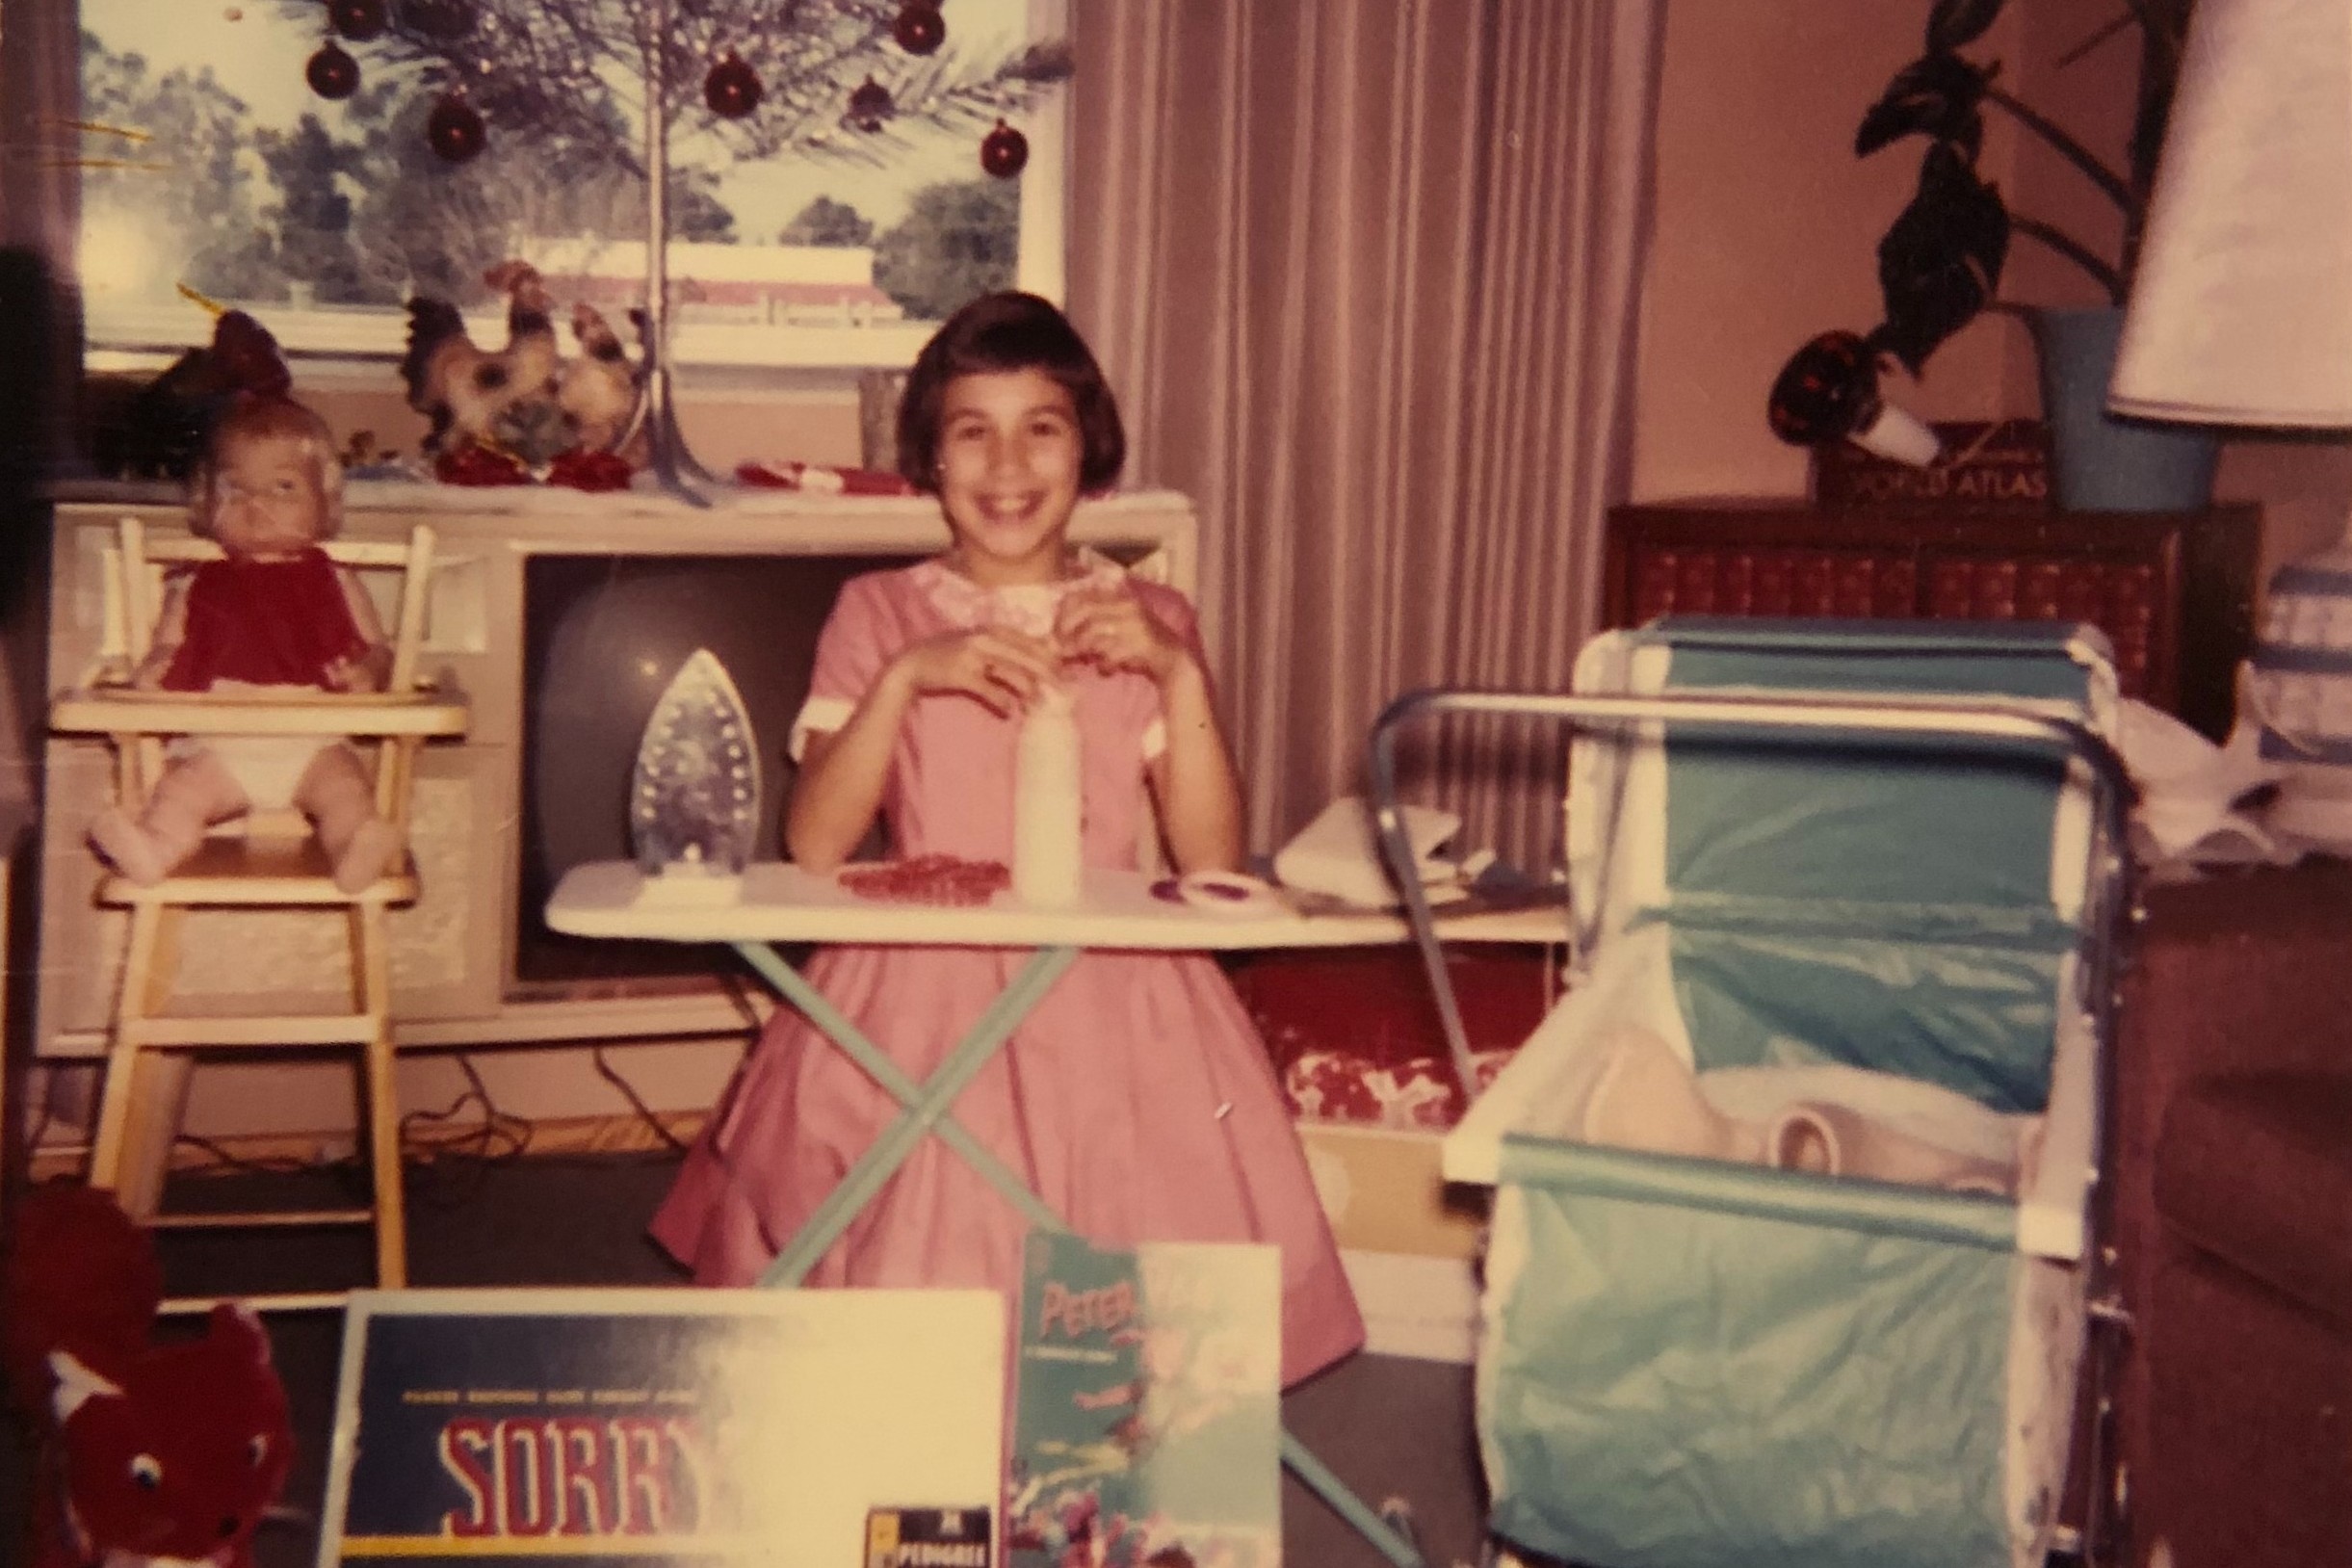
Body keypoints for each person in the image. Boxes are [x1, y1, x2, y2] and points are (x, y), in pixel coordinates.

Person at [652, 292, 1365, 1386]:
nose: (1007, 462)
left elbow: (1214, 860)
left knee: (1131, 1239)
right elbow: (814, 844)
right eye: (970, 431)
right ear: (933, 464)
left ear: (1089, 451)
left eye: (1042, 425)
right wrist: (903, 681)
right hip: (923, 984)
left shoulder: (1154, 617)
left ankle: (1105, 1467)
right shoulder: (878, 611)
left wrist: (1176, 673)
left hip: (1115, 994)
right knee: (920, 1240)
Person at [88, 395, 404, 895]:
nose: (256, 504)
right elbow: (167, 646)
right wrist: (155, 669)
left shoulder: (336, 579)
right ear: (207, 501)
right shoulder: (194, 585)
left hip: (312, 741)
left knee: (347, 794)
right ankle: (153, 849)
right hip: (221, 744)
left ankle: (354, 851)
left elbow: (380, 650)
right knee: (179, 794)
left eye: (283, 486)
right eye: (236, 488)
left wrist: (368, 671)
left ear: (325, 499)